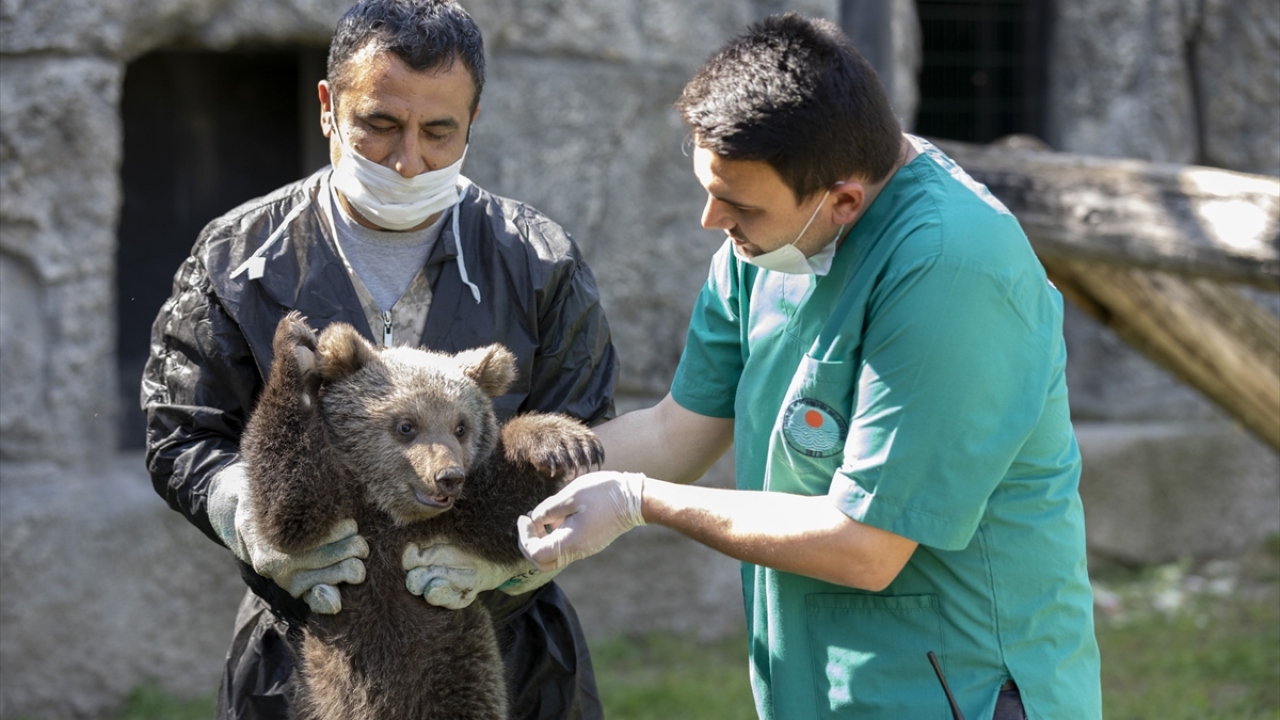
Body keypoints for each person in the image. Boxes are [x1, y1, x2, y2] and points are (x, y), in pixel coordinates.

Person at [510, 13, 1102, 720]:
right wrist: (498, 483)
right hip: (821, 684)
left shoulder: (953, 268)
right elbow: (677, 432)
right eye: (707, 187)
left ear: (843, 200)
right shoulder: (768, 238)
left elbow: (865, 545)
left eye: (734, 204)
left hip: (960, 689)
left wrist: (639, 502)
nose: (709, 220)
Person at [141, 1, 616, 718]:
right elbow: (180, 430)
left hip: (507, 656)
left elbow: (582, 434)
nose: (408, 160)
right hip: (305, 654)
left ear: (473, 121)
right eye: (381, 125)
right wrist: (247, 515)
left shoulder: (537, 259)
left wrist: (511, 560)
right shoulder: (238, 258)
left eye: (438, 132)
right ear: (329, 106)